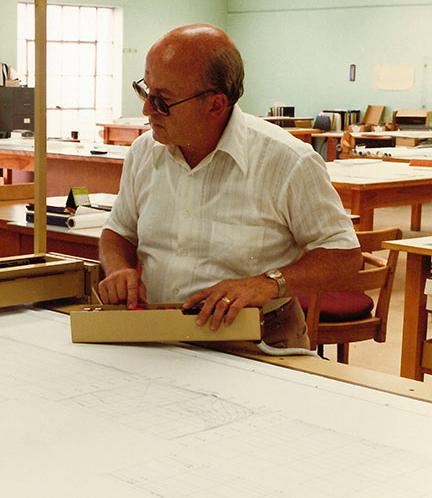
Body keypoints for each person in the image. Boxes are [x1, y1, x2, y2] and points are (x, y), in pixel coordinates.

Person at [98, 23, 361, 349]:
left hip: (259, 338)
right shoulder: (144, 153)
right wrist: (119, 269)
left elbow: (344, 256)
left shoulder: (287, 161)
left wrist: (266, 284)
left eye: (162, 101)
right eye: (145, 91)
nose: (146, 110)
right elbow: (118, 231)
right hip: (162, 333)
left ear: (215, 105)